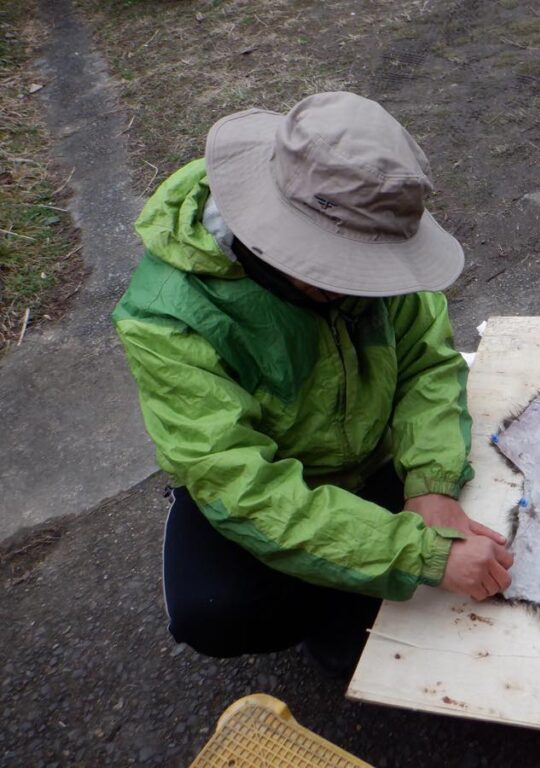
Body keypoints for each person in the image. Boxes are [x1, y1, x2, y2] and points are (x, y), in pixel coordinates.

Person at [113, 92, 513, 673]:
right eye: (345, 270)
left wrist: (430, 483)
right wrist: (420, 554)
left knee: (479, 519)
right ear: (274, 239)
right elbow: (240, 484)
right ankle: (327, 608)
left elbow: (428, 363)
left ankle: (355, 587)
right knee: (215, 607)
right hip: (277, 480)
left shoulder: (369, 221)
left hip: (375, 455)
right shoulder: (167, 316)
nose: (367, 284)